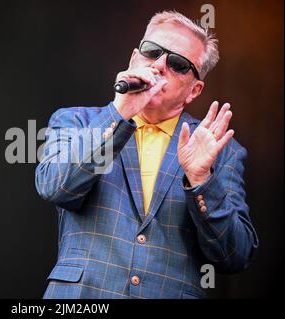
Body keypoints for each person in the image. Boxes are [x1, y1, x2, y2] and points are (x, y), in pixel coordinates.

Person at [35, 10, 259, 299]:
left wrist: (201, 180)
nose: (160, 64)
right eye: (152, 51)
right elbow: (55, 187)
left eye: (178, 63)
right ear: (133, 59)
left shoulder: (220, 148)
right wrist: (120, 113)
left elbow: (236, 255)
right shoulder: (76, 121)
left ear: (194, 90)